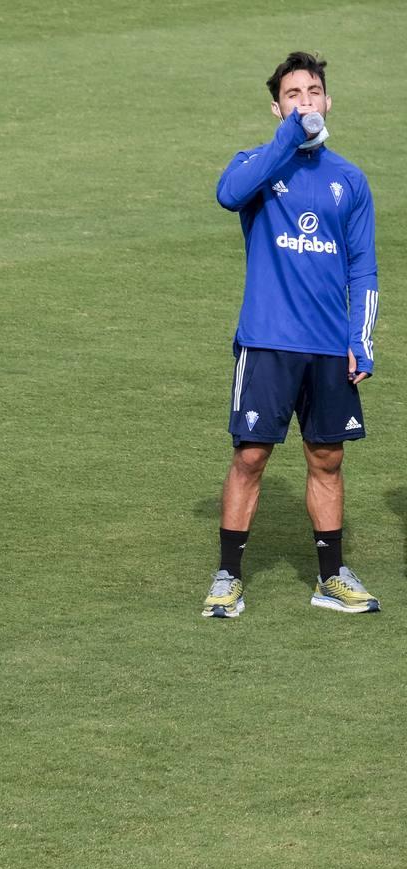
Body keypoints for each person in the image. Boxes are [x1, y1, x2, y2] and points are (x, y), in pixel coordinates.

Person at [204, 52, 381, 618]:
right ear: (277, 106)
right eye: (293, 94)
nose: (305, 102)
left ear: (328, 102)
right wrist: (288, 138)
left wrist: (362, 340)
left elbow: (363, 269)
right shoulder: (256, 164)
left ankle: (331, 578)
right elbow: (228, 194)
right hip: (267, 341)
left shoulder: (349, 179)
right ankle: (228, 577)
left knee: (327, 458)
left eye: (313, 92)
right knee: (251, 456)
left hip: (330, 347)